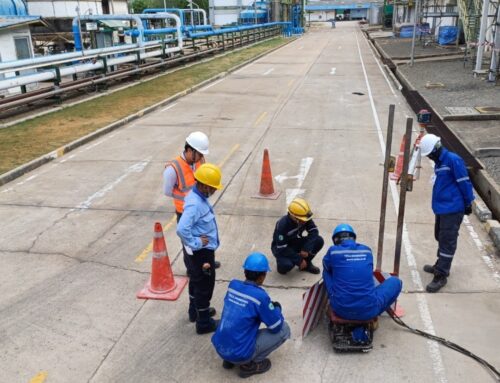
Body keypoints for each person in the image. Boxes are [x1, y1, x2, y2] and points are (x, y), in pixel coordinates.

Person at [211, 252, 291, 378]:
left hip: (220, 347)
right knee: (285, 329)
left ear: (245, 272)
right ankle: (248, 365)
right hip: (239, 354)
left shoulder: (233, 285)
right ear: (262, 276)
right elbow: (276, 326)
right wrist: (277, 310)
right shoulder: (260, 297)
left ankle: (229, 360)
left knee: (236, 322)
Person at [419, 134, 475, 293]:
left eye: (429, 154)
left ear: (436, 149)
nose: (429, 156)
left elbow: (464, 182)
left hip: (452, 208)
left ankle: (441, 274)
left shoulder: (453, 160)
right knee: (440, 236)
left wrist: (468, 202)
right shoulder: (439, 162)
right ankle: (441, 264)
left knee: (447, 241)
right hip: (441, 208)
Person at [163, 131, 221, 271]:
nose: (201, 157)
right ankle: (192, 269)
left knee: (204, 238)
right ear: (189, 150)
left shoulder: (199, 160)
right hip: (184, 211)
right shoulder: (173, 168)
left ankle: (207, 260)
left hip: (200, 209)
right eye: (199, 154)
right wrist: (188, 199)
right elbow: (167, 191)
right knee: (188, 244)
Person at [177, 163, 223, 334]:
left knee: (196, 280)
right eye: (212, 188)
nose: (214, 191)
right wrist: (196, 242)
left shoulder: (197, 197)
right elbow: (182, 229)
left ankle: (195, 312)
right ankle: (204, 322)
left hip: (196, 252)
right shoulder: (195, 204)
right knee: (205, 284)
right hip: (201, 253)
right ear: (203, 185)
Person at [323, 224, 402, 321]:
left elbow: (326, 266)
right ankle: (377, 311)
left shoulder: (333, 251)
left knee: (326, 271)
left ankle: (334, 299)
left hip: (340, 310)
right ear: (353, 238)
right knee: (396, 281)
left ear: (335, 240)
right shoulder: (366, 250)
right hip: (369, 311)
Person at [271, 198, 324, 275]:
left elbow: (314, 231)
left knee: (319, 240)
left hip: (294, 242)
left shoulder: (304, 217)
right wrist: (299, 260)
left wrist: (306, 248)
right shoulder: (282, 225)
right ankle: (282, 264)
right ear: (293, 216)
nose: (305, 221)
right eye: (302, 220)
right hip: (281, 248)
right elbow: (281, 248)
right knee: (286, 265)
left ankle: (306, 264)